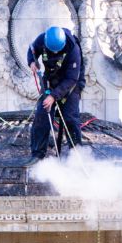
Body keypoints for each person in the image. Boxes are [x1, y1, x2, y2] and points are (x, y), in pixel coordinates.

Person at [27, 25, 85, 162]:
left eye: (56, 52)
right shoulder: (42, 39)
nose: (53, 54)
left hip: (71, 83)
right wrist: (31, 62)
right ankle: (37, 155)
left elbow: (72, 78)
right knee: (42, 114)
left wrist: (54, 96)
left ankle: (77, 157)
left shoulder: (73, 49)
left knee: (70, 117)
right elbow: (32, 51)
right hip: (50, 80)